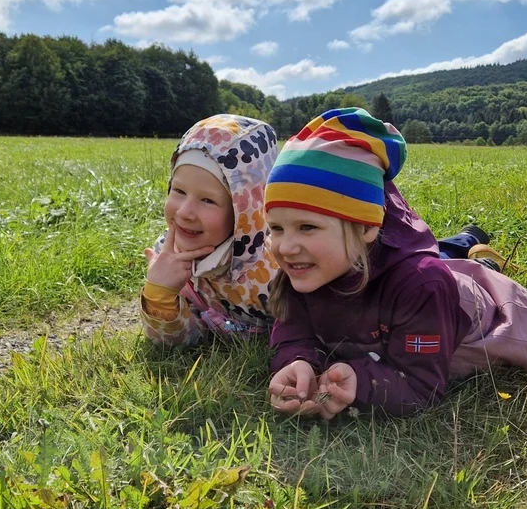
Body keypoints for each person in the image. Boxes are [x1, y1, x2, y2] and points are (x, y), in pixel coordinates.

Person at [263, 108, 527, 419]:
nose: (285, 245)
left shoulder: (419, 285)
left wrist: (362, 383)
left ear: (367, 228)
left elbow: (420, 386)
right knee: (462, 277)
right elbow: (294, 330)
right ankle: (478, 256)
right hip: (454, 293)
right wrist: (294, 361)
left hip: (498, 321)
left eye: (307, 226)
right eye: (275, 228)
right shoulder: (304, 270)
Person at [140, 114, 498, 347]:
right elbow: (183, 341)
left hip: (380, 258)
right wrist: (160, 293)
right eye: (177, 191)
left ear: (245, 207)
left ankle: (472, 249)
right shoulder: (170, 258)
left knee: (436, 264)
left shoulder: (282, 261)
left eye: (208, 201)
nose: (184, 212)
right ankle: (465, 241)